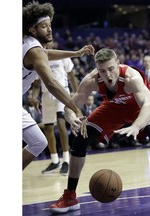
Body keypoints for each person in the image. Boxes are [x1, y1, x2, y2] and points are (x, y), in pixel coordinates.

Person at [49, 48, 150, 213]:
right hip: (113, 108)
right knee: (80, 139)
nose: (108, 75)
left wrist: (136, 126)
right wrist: (71, 118)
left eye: (111, 69)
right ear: (97, 70)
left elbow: (147, 105)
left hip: (139, 107)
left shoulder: (131, 77)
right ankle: (70, 197)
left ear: (118, 64)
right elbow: (71, 105)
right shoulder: (91, 80)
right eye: (102, 71)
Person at [22, 1, 94, 170]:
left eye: (50, 26)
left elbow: (47, 54)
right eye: (44, 26)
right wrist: (76, 108)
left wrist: (76, 53)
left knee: (38, 142)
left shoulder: (31, 45)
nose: (50, 29)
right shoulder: (34, 50)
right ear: (33, 30)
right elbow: (52, 83)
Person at [32, 40, 79, 175]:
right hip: (46, 95)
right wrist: (34, 97)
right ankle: (54, 161)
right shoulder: (37, 57)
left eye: (51, 41)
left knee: (61, 121)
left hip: (61, 91)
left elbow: (71, 75)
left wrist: (77, 92)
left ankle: (66, 160)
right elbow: (36, 84)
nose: (49, 43)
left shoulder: (62, 56)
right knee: (48, 127)